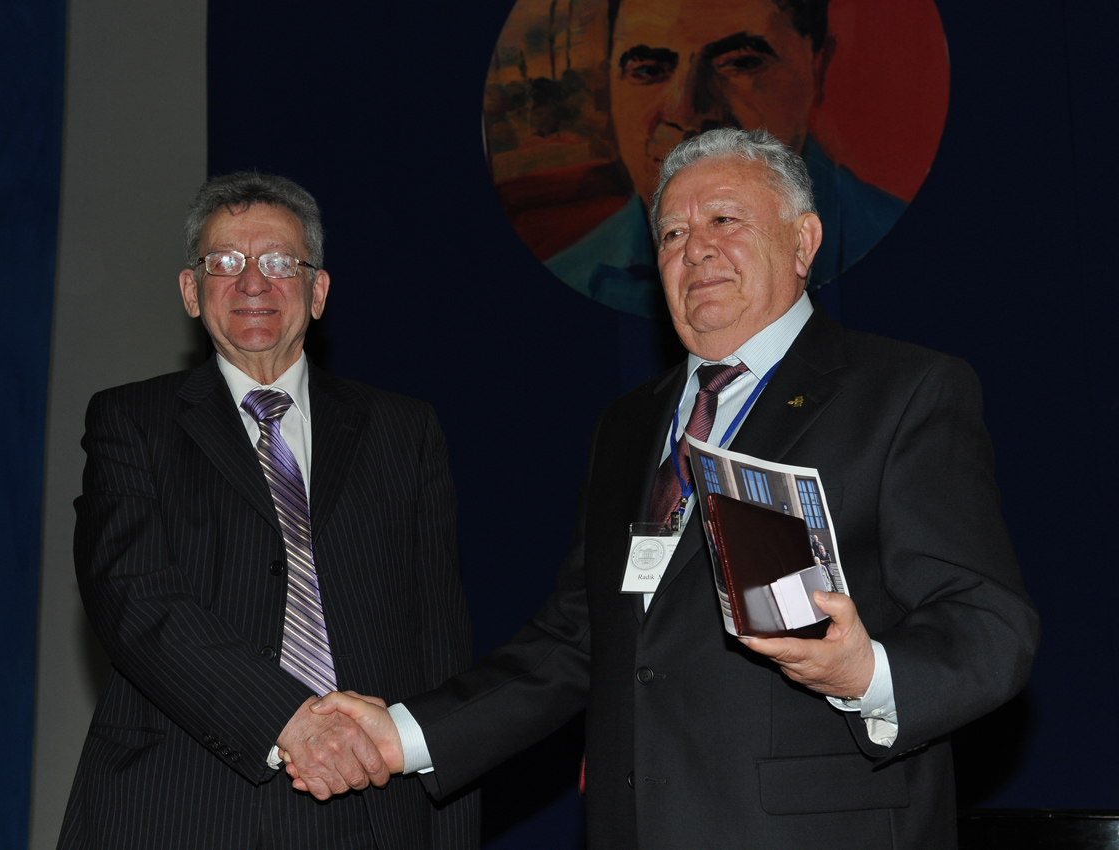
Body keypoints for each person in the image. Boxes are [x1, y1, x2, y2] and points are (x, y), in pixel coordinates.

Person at [303, 129, 1039, 849]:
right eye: (673, 234)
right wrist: (403, 735)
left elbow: (988, 628)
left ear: (803, 241)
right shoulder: (627, 426)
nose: (697, 249)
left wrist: (865, 672)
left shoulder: (902, 392)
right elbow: (578, 639)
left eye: (725, 220)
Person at [56, 172, 478, 850]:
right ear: (191, 291)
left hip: (371, 809)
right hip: (181, 808)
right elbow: (132, 598)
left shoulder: (404, 431)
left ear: (319, 290)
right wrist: (289, 719)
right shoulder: (130, 422)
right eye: (225, 262)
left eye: (280, 262)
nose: (253, 282)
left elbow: (440, 646)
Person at [546, 0, 907, 318]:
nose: (686, 111)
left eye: (739, 63)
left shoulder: (906, 259)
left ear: (818, 68)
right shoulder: (568, 281)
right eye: (648, 70)